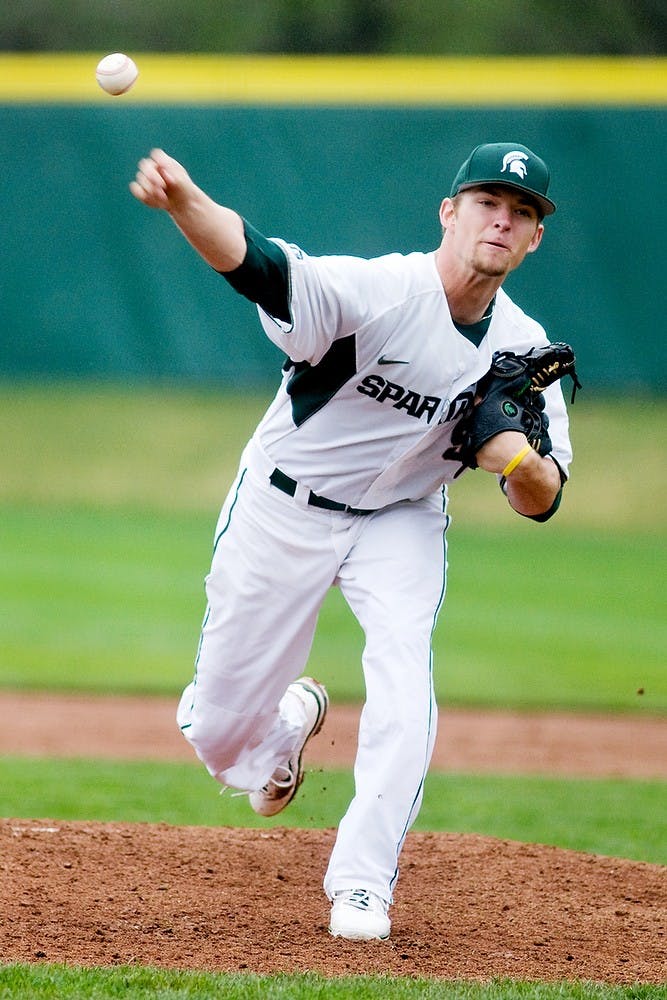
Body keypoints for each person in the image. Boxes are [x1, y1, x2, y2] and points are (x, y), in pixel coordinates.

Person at [130, 140, 572, 942]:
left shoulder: (522, 348)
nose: (502, 222)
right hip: (283, 505)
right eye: (486, 204)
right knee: (216, 736)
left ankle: (363, 886)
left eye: (521, 214)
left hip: (402, 519)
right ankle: (279, 732)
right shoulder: (378, 291)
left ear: (534, 237)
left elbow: (540, 500)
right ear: (450, 213)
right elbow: (260, 266)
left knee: (404, 688)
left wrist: (515, 454)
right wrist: (185, 202)